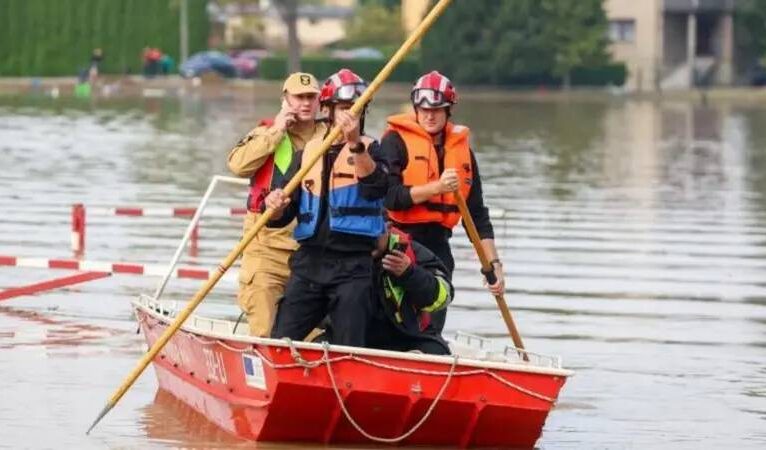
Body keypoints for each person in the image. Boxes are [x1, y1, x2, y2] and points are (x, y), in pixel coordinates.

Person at [266, 69, 388, 347]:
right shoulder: (306, 154)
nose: (350, 116)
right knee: (281, 342)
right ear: (329, 110)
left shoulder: (373, 150)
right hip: (310, 263)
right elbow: (282, 214)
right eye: (345, 108)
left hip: (353, 266)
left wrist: (355, 144)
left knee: (349, 346)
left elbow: (377, 189)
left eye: (357, 109)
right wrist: (274, 207)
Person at [381, 70, 505, 331]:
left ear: (448, 111)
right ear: (415, 108)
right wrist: (435, 187)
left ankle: (430, 350)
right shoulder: (394, 142)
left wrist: (492, 265)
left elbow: (477, 217)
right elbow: (390, 197)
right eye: (423, 108)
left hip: (438, 247)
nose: (429, 115)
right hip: (399, 242)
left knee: (432, 320)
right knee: (394, 319)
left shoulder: (463, 153)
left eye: (437, 109)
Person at [227, 72, 326, 336]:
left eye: (311, 97)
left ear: (320, 101)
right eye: (298, 97)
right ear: (285, 100)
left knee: (316, 334)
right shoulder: (267, 132)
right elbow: (238, 165)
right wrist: (277, 131)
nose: (305, 103)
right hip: (266, 248)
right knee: (264, 327)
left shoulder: (332, 135)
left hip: (312, 251)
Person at [366, 225, 453, 355]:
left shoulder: (411, 250)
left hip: (407, 336)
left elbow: (445, 295)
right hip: (356, 334)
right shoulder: (337, 251)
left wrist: (410, 274)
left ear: (388, 227)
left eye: (375, 232)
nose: (369, 240)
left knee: (436, 351)